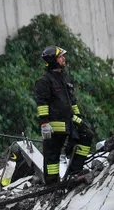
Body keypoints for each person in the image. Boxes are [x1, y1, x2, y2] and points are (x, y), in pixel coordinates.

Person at [35, 45, 93, 185]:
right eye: (60, 57)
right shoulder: (44, 81)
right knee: (52, 154)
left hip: (71, 120)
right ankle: (52, 184)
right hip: (54, 124)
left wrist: (79, 117)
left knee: (87, 134)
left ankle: (74, 171)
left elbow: (72, 101)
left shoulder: (64, 77)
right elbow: (42, 103)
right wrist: (44, 123)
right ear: (53, 60)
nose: (63, 58)